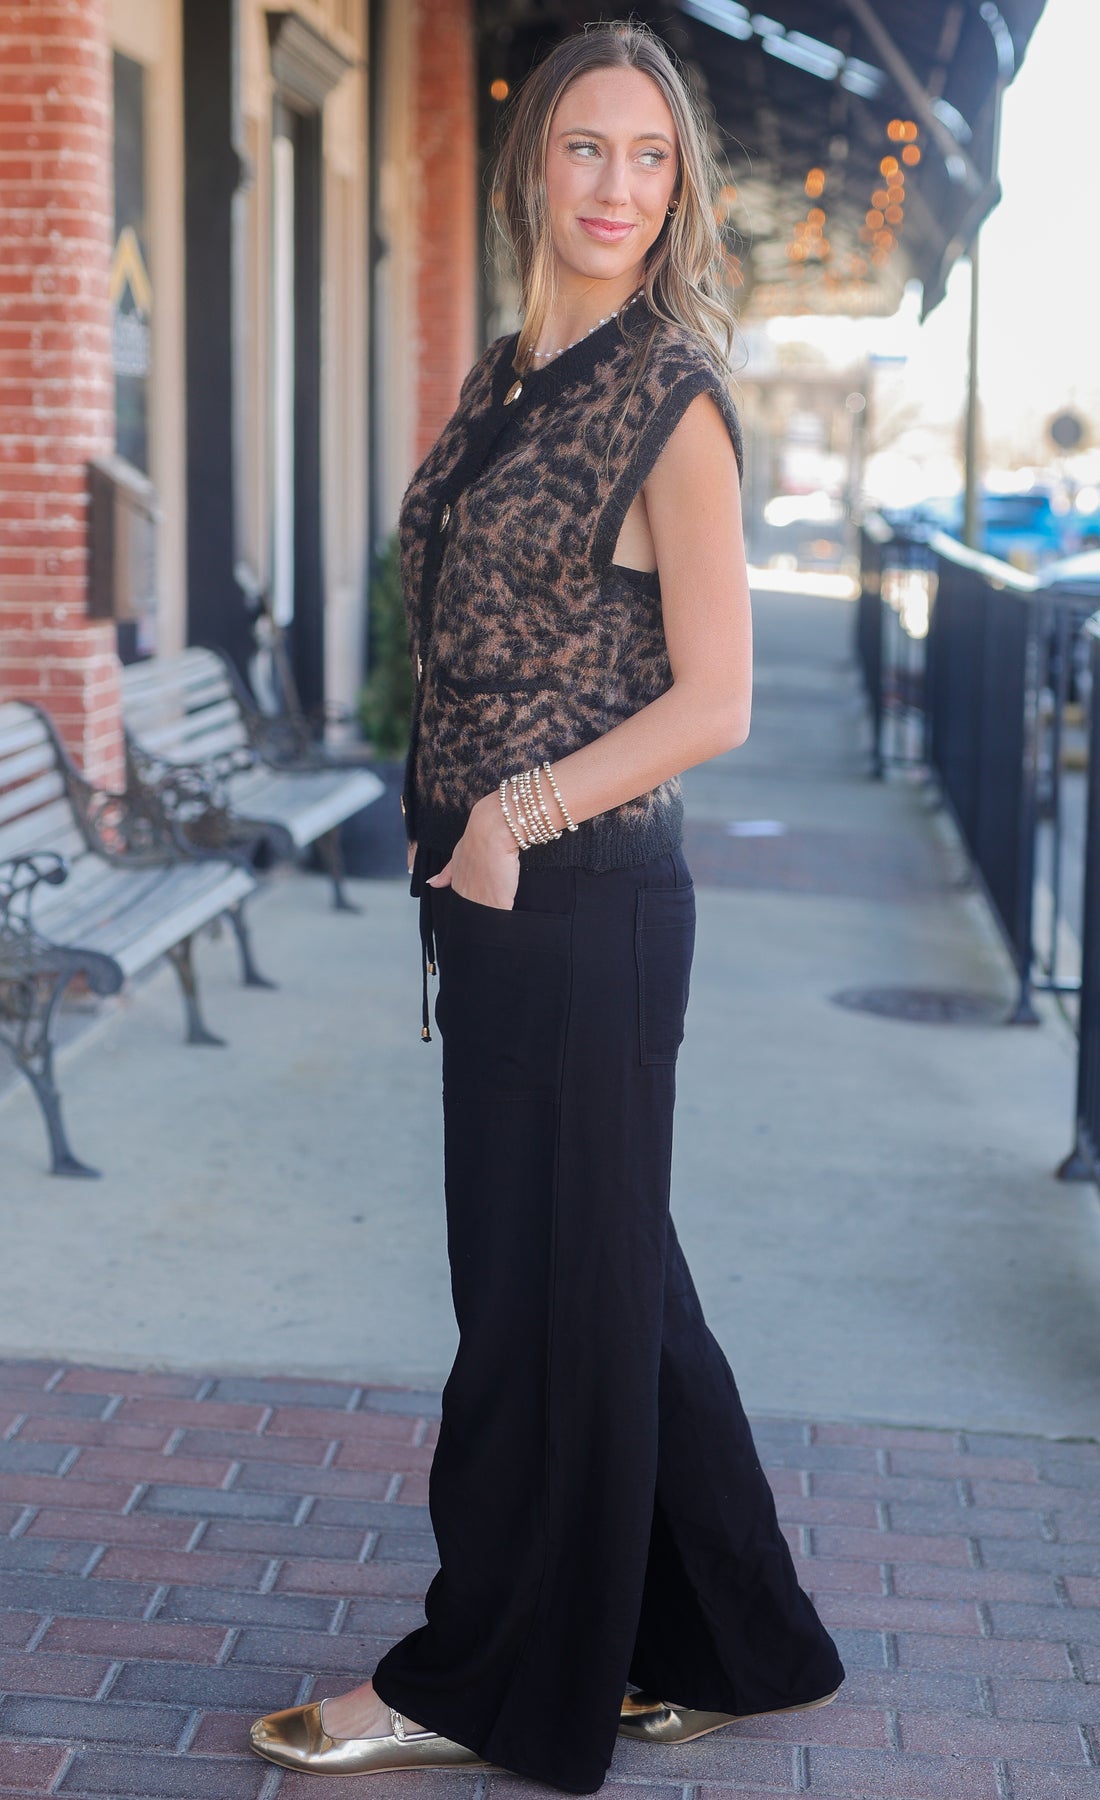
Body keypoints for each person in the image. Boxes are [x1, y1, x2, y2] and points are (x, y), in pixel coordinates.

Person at [249, 20, 844, 1795]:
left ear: (681, 189)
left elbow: (718, 699)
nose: (615, 186)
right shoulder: (507, 374)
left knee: (531, 1308)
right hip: (498, 904)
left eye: (648, 157)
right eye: (587, 148)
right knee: (615, 1289)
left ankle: (477, 1674)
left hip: (584, 899)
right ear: (534, 166)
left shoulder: (672, 395)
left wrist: (511, 813)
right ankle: (743, 1638)